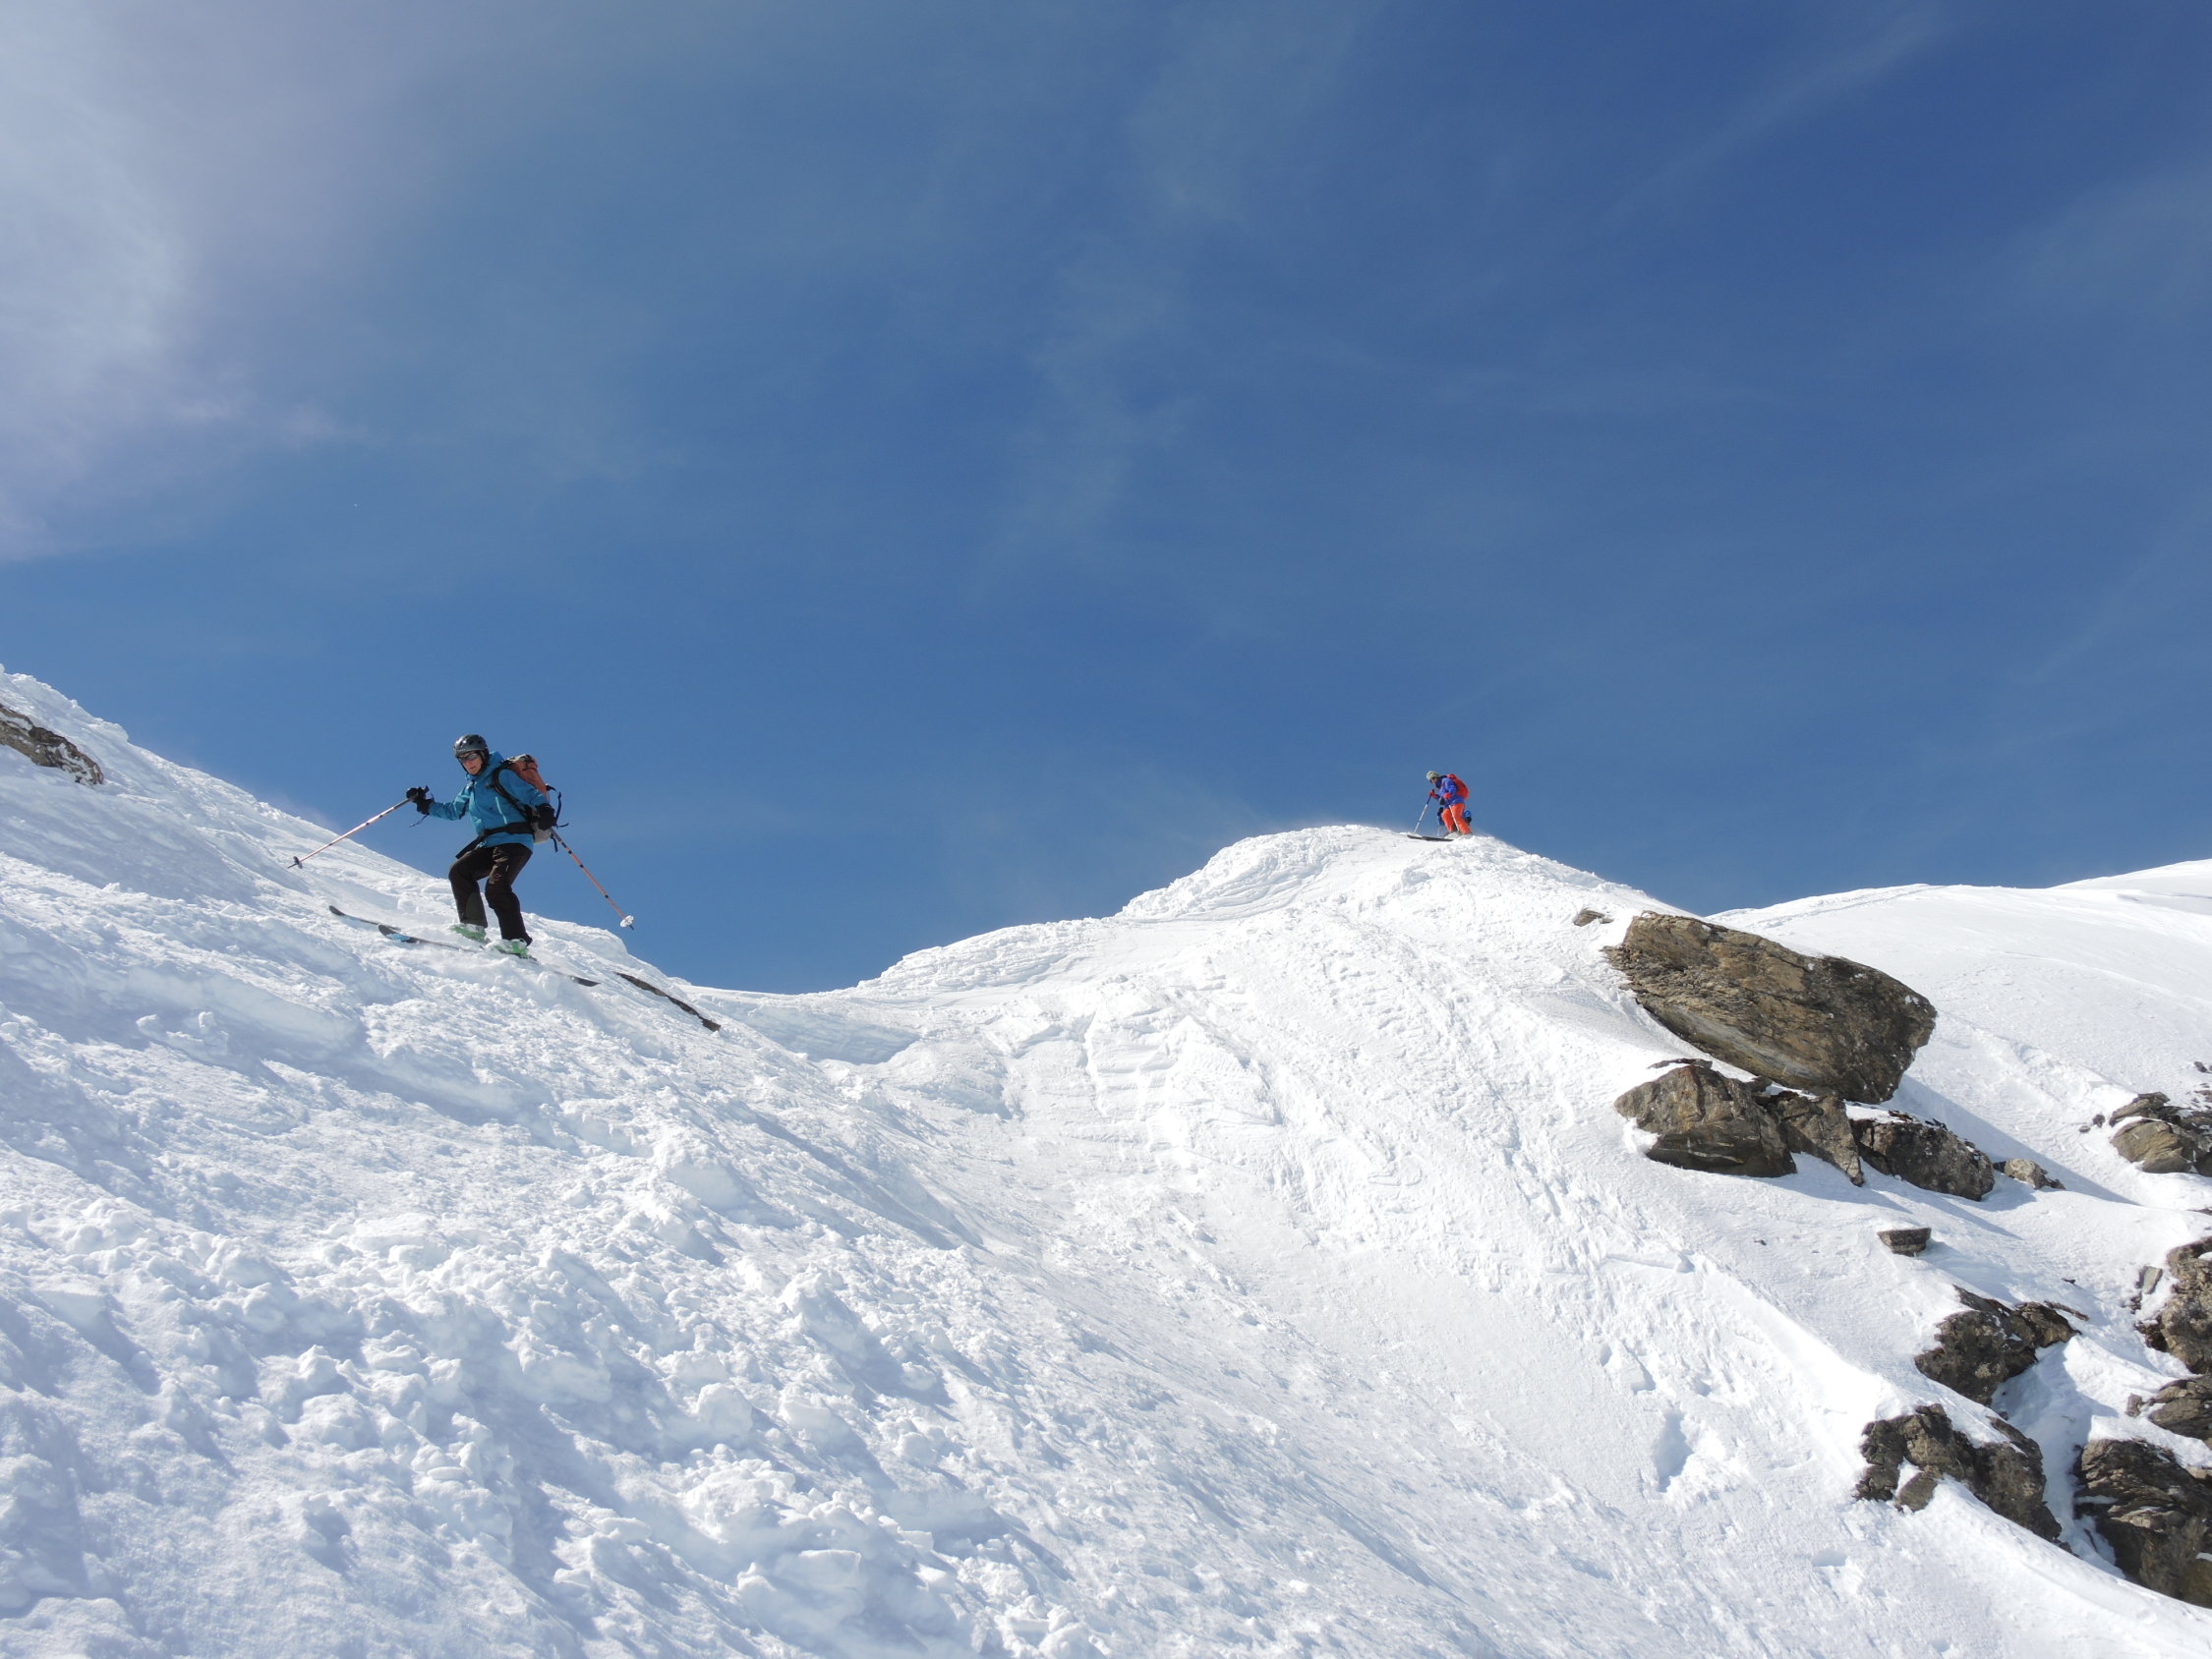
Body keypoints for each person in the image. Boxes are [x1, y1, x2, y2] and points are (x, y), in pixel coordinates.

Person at [406, 734, 553, 956]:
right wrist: (424, 804)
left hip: (515, 841)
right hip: (489, 843)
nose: (468, 762)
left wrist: (544, 809)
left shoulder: (501, 775)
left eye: (472, 756)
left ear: (483, 755)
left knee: (497, 886)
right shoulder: (472, 787)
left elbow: (530, 794)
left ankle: (516, 941)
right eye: (463, 759)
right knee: (459, 871)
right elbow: (453, 811)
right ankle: (473, 926)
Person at [1426, 770, 1470, 836]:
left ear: (1437, 777)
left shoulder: (1445, 780)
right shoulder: (1440, 789)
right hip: (1448, 805)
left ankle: (1467, 833)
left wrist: (1449, 793)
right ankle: (1453, 832)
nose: (1433, 780)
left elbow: (1452, 788)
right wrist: (1434, 796)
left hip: (1456, 801)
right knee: (1444, 815)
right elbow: (1442, 799)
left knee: (1456, 816)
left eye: (1433, 778)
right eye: (1430, 780)